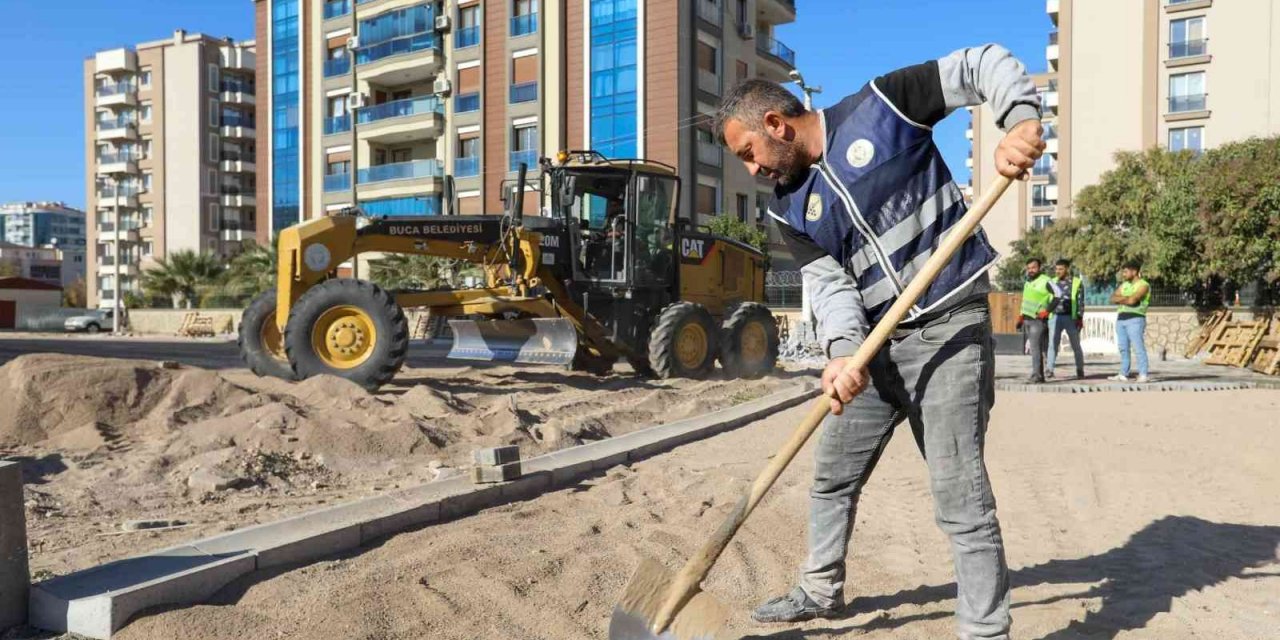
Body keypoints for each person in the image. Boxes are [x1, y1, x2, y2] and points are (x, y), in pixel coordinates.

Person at [715, 43, 1043, 640]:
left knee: (958, 492)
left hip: (949, 327)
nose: (753, 169)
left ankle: (985, 630)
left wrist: (1018, 118)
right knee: (832, 473)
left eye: (749, 154)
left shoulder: (884, 106)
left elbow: (983, 63)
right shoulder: (789, 209)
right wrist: (843, 354)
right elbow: (830, 286)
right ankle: (818, 589)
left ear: (774, 124)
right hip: (874, 350)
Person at [1109, 260, 1151, 382]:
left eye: (1126, 272)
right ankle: (1123, 373)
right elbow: (1112, 298)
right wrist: (1127, 298)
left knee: (1138, 347)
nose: (1123, 274)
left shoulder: (1144, 285)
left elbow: (1134, 300)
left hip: (1136, 319)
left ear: (1134, 271)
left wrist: (1121, 299)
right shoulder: (1124, 284)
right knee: (1123, 347)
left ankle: (1143, 374)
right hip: (1121, 319)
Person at [1046, 258, 1085, 379]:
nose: (1058, 271)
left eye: (1061, 269)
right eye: (1056, 269)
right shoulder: (1051, 282)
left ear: (1067, 269)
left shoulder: (1076, 282)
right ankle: (1049, 369)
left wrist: (1079, 317)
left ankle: (1080, 369)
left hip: (1070, 318)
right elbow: (1047, 299)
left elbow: (1080, 301)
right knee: (1052, 344)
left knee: (1076, 345)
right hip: (1055, 317)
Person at [1016, 258, 1052, 383]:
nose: (1031, 270)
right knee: (1034, 348)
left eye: (1034, 267)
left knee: (1035, 348)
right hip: (1027, 319)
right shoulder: (1028, 282)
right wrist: (1020, 317)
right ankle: (1039, 375)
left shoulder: (1046, 281)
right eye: (1029, 268)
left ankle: (1036, 376)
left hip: (1038, 320)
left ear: (1039, 267)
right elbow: (1025, 300)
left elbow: (1059, 295)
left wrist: (1048, 311)